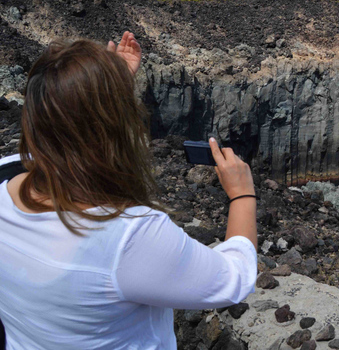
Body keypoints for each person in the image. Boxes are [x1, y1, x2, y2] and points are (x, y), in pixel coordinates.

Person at [0, 32, 258, 349]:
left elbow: (68, 131)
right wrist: (242, 194)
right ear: (116, 127)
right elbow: (235, 279)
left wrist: (108, 86)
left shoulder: (6, 173)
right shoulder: (130, 236)